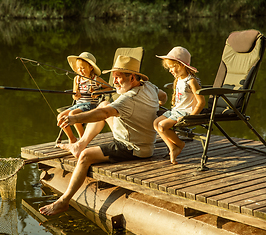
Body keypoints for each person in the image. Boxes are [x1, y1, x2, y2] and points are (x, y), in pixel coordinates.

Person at [39, 55, 167, 216]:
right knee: (104, 103)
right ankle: (79, 144)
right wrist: (151, 109)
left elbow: (104, 113)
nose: (114, 82)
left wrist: (75, 118)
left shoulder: (129, 98)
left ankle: (63, 201)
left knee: (85, 156)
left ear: (132, 77)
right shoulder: (149, 86)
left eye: (118, 78)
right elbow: (164, 97)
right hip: (140, 137)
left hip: (132, 147)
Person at [153, 46, 205, 164]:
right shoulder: (179, 79)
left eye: (172, 67)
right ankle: (173, 147)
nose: (170, 70)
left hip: (185, 112)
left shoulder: (191, 81)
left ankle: (180, 144)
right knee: (155, 123)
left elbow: (201, 102)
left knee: (162, 126)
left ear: (181, 65)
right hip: (176, 111)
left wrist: (191, 117)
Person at [58, 52, 113, 144]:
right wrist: (76, 95)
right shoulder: (77, 79)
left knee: (72, 114)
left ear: (91, 67)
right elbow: (74, 96)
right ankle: (72, 139)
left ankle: (83, 139)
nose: (80, 71)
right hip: (78, 105)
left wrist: (98, 92)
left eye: (83, 68)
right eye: (79, 68)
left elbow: (110, 88)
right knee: (60, 117)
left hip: (90, 105)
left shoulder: (95, 79)